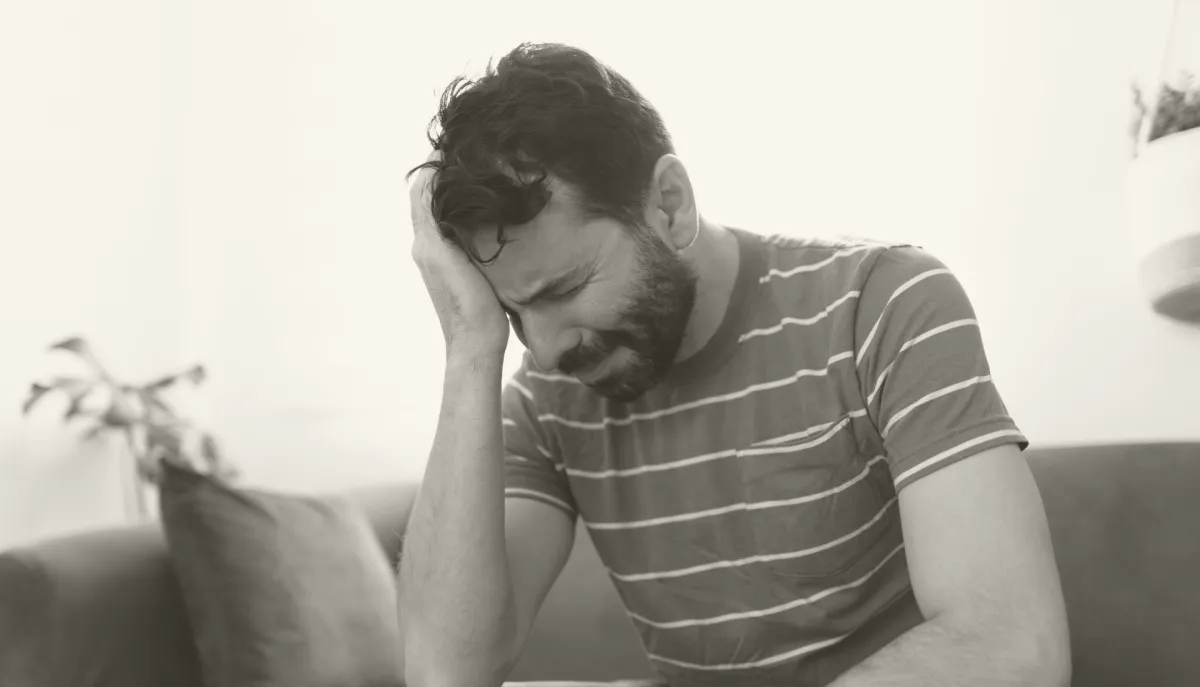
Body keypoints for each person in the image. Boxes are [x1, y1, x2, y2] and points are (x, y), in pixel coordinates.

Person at [398, 42, 1071, 687]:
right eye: (513, 313)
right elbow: (445, 674)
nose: (544, 349)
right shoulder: (549, 397)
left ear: (670, 204)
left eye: (564, 289)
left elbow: (1010, 644)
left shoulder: (882, 304)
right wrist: (470, 348)